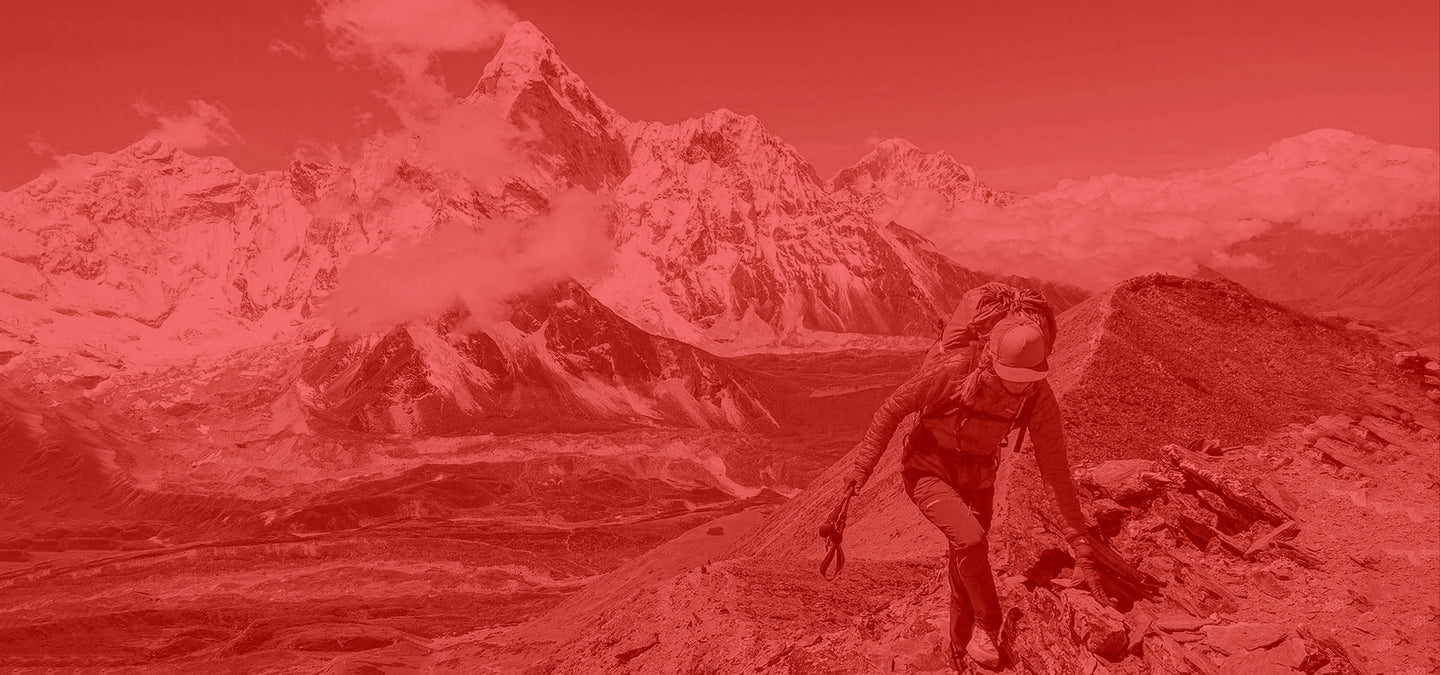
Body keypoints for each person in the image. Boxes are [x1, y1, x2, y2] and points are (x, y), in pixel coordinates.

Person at [844, 314, 1104, 670]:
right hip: (927, 470)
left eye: (1028, 379)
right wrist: (862, 469)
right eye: (1012, 378)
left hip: (979, 478)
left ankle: (957, 649)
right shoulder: (955, 370)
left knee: (965, 563)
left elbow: (1055, 472)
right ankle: (990, 627)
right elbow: (892, 408)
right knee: (969, 540)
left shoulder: (1037, 395)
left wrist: (1081, 544)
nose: (1019, 387)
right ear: (990, 361)